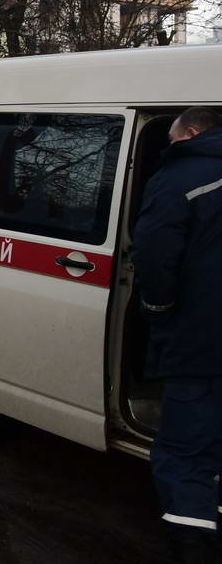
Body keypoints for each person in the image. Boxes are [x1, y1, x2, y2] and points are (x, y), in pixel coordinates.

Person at [132, 105, 222, 563]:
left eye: (170, 138)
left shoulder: (178, 176)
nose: (168, 147)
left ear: (189, 133)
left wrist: (157, 308)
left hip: (201, 338)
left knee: (185, 451)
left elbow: (154, 252)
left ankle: (193, 545)